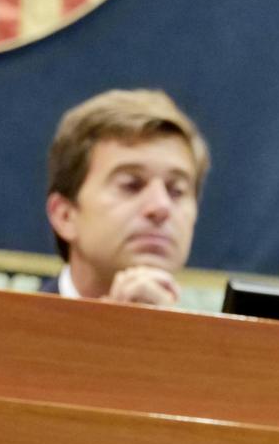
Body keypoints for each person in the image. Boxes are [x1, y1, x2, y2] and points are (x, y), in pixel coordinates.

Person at [44, 89, 209, 306]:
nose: (160, 207)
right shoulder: (3, 334)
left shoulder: (215, 340)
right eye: (131, 185)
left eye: (176, 191)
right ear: (65, 216)